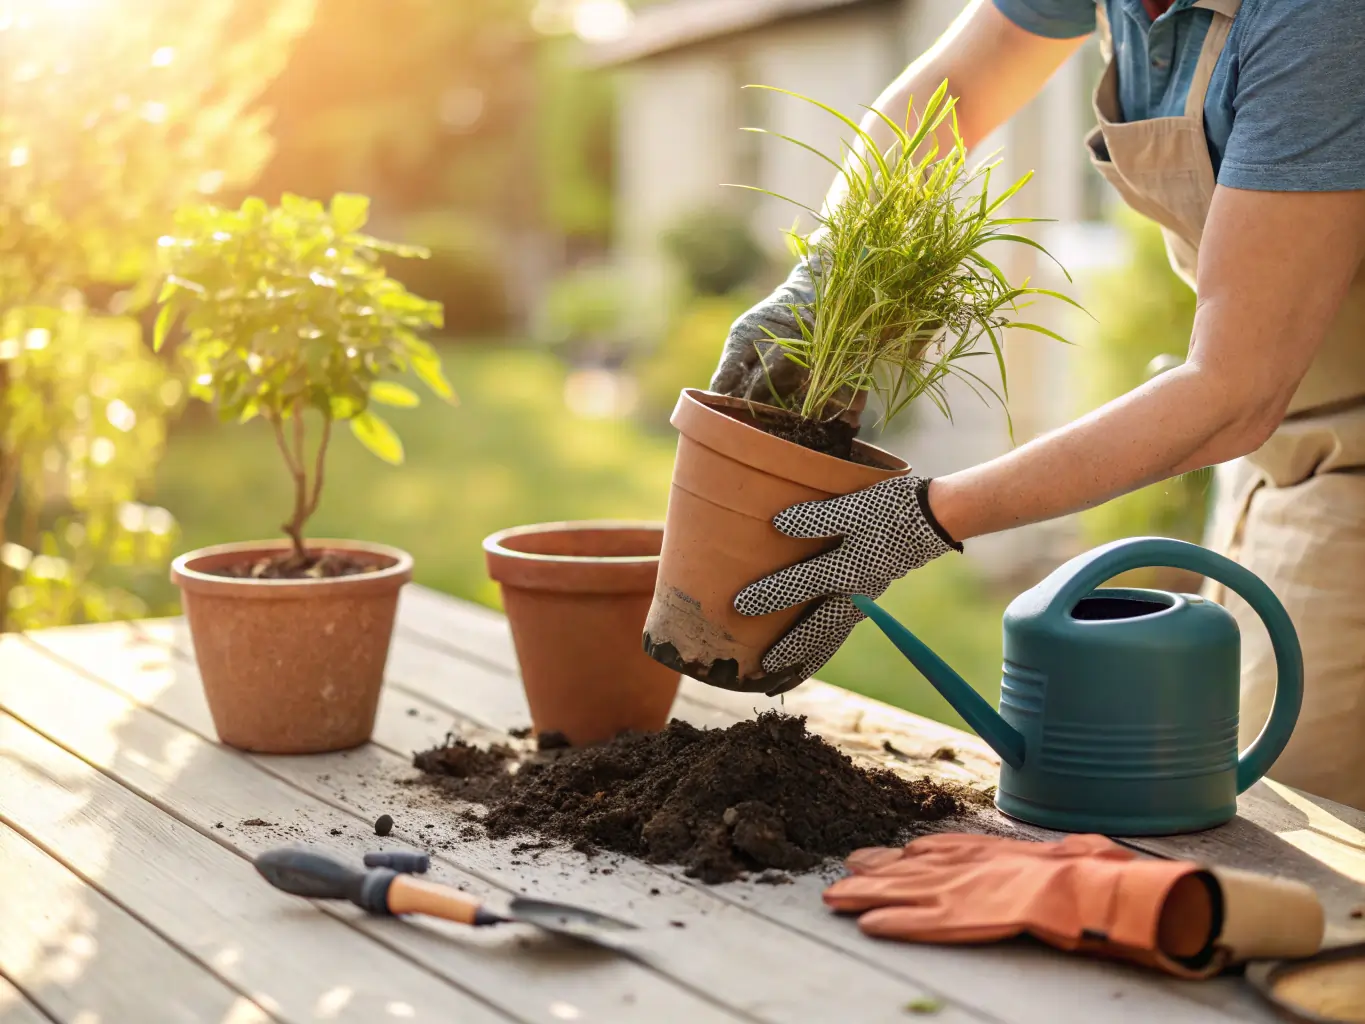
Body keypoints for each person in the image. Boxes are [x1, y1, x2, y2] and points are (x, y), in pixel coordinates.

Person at [713, 0, 1365, 810]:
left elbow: (1230, 392)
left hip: (1339, 456)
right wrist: (829, 267)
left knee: (1304, 821)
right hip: (1272, 449)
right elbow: (948, 90)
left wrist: (928, 515)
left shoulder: (1322, 22)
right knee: (1225, 773)